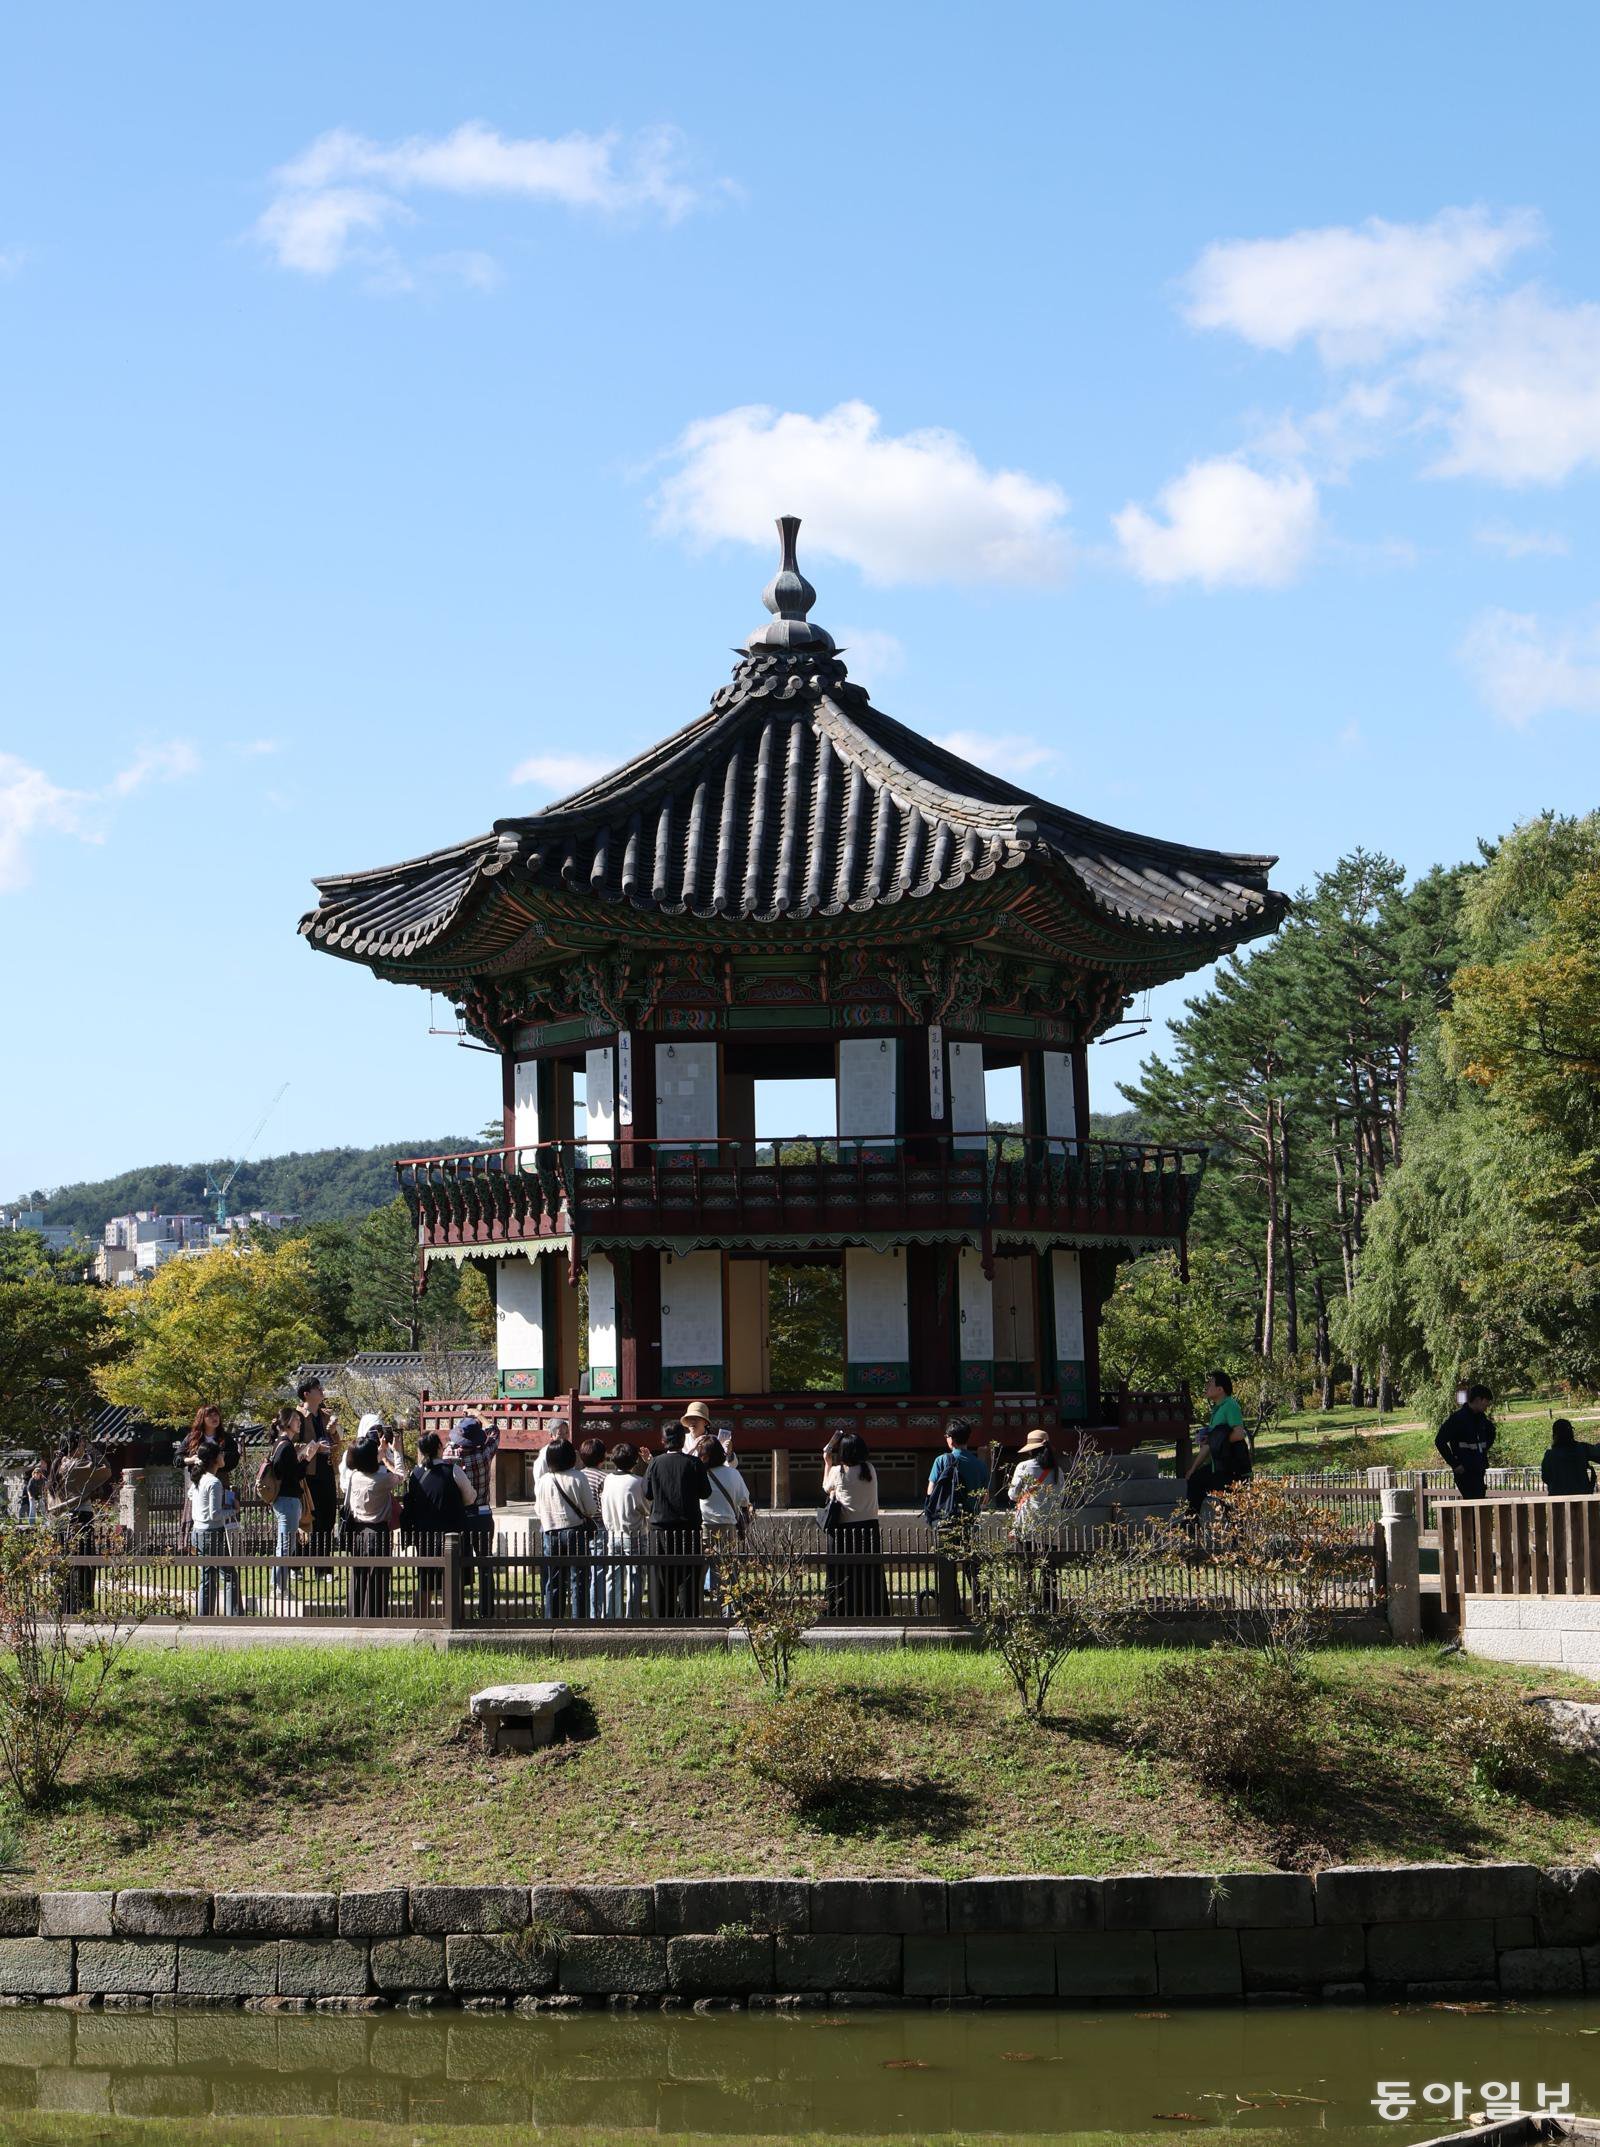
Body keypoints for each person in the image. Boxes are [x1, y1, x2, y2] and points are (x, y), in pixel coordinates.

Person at [339, 1415, 407, 1617]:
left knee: (358, 1577)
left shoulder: (354, 1476)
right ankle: (374, 1618)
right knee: (377, 1580)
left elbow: (369, 1459)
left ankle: (355, 1615)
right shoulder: (381, 1479)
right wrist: (395, 1451)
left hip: (357, 1533)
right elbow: (401, 1475)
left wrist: (382, 1449)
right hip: (377, 1533)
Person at [401, 1430, 474, 1616]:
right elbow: (470, 1497)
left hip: (425, 1536)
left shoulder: (415, 1475)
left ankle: (421, 1619)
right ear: (440, 1447)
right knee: (453, 1581)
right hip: (453, 1534)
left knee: (426, 1582)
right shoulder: (453, 1470)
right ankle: (454, 1620)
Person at [642, 1425, 712, 1618]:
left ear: (663, 1441)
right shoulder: (694, 1463)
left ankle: (661, 1617)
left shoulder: (655, 1463)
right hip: (688, 1528)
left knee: (660, 1576)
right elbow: (706, 1492)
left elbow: (647, 1493)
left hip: (660, 1528)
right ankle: (688, 1617)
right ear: (683, 1441)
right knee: (688, 1575)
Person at [822, 1431, 888, 1617]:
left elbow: (826, 1488)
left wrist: (827, 1462)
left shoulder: (838, 1471)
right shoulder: (870, 1470)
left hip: (845, 1530)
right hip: (869, 1528)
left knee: (843, 1574)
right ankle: (872, 1610)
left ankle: (841, 1611)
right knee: (868, 1573)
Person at [45, 1431, 111, 1612]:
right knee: (83, 1565)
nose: (84, 1448)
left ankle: (64, 1607)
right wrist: (92, 1448)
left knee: (63, 1564)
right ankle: (82, 1607)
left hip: (60, 1521)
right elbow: (106, 1469)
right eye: (81, 1445)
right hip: (79, 1519)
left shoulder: (57, 1465)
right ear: (74, 1447)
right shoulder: (77, 1465)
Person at [533, 1437, 598, 1620]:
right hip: (574, 1532)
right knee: (579, 1580)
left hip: (550, 1532)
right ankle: (579, 1622)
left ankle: (552, 1621)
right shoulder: (578, 1477)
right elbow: (590, 1509)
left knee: (553, 1581)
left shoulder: (544, 1480)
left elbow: (538, 1509)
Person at [449, 1417, 501, 1619]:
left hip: (460, 1515)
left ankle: (458, 1610)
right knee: (484, 1563)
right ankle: (486, 1610)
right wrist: (479, 1417)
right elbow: (495, 1432)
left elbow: (449, 1444)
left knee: (459, 1564)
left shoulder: (450, 1454)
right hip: (482, 1513)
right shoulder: (484, 1454)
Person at [1185, 1371, 1250, 1519]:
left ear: (1220, 1389)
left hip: (1231, 1468)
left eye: (1210, 1383)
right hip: (1218, 1466)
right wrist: (1192, 1469)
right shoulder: (1216, 1410)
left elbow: (1239, 1434)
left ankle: (1238, 1541)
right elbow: (1209, 1444)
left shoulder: (1230, 1405)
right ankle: (1190, 1526)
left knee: (1232, 1510)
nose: (1206, 1386)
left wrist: (1217, 1440)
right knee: (1195, 1480)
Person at [188, 1439, 241, 1618]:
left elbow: (191, 1496)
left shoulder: (198, 1478)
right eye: (220, 1453)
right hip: (212, 1533)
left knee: (207, 1577)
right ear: (214, 1459)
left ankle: (205, 1616)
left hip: (197, 1532)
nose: (223, 1456)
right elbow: (214, 1514)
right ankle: (234, 1617)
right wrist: (233, 1509)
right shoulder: (214, 1482)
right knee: (229, 1576)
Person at [699, 1436, 752, 1605]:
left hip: (703, 1526)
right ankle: (728, 1608)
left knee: (700, 1568)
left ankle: (697, 1608)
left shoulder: (699, 1473)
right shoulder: (733, 1473)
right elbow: (744, 1500)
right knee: (728, 1571)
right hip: (728, 1526)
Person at [599, 1443, 649, 1620]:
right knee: (635, 1576)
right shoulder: (637, 1482)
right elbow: (646, 1508)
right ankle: (632, 1616)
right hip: (633, 1533)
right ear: (635, 1460)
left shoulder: (608, 1480)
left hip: (613, 1533)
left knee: (613, 1576)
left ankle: (612, 1615)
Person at [263, 1404, 306, 1604]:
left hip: (286, 1500)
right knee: (285, 1546)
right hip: (287, 1500)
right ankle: (279, 1588)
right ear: (288, 1422)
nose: (299, 1423)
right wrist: (306, 1459)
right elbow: (289, 1473)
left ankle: (279, 1586)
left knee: (285, 1545)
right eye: (296, 1419)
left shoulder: (282, 1445)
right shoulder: (286, 1445)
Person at [292, 1380, 340, 1550]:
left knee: (328, 1517)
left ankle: (324, 1567)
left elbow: (337, 1446)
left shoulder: (326, 1416)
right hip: (307, 1474)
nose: (321, 1390)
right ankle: (298, 1564)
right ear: (306, 1394)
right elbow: (288, 1444)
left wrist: (334, 1433)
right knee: (306, 1517)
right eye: (317, 1388)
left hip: (326, 1470)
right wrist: (315, 1447)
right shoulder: (296, 1416)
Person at [1436, 1383, 1496, 1501]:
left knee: (1479, 1504)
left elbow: (1491, 1433)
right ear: (1478, 1400)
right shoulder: (1457, 1419)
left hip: (1478, 1469)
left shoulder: (1481, 1418)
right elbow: (1440, 1441)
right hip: (1465, 1471)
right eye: (1486, 1402)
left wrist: (1482, 1451)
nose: (1487, 1406)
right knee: (1472, 1504)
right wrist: (1455, 1464)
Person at [924, 1421, 990, 1525]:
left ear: (951, 1439)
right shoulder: (980, 1465)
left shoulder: (941, 1460)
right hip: (970, 1520)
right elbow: (985, 1499)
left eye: (946, 1436)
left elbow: (930, 1492)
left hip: (944, 1519)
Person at [578, 1438, 610, 1618]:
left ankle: (584, 1611)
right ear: (602, 1458)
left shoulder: (578, 1475)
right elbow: (604, 1506)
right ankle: (595, 1613)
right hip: (598, 1526)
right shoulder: (604, 1478)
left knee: (583, 1571)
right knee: (598, 1571)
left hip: (581, 1525)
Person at [1008, 1428, 1065, 1530]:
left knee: (1028, 1546)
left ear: (1030, 1450)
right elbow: (1061, 1498)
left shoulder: (1023, 1466)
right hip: (1051, 1525)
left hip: (1028, 1523)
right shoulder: (1058, 1470)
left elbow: (1013, 1495)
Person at [1542, 1418, 1600, 1497]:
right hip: (1582, 1502)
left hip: (1557, 1504)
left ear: (1554, 1435)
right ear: (1571, 1433)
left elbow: (1545, 1477)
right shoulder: (1582, 1449)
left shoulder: (1549, 1455)